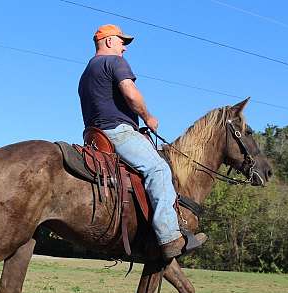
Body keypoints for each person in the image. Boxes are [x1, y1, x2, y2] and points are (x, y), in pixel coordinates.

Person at [78, 24, 206, 260]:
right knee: (158, 168)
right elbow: (130, 92)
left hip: (95, 136)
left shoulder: (86, 72)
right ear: (108, 41)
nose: (124, 48)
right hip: (118, 132)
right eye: (121, 41)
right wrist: (148, 117)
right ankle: (169, 237)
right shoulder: (114, 62)